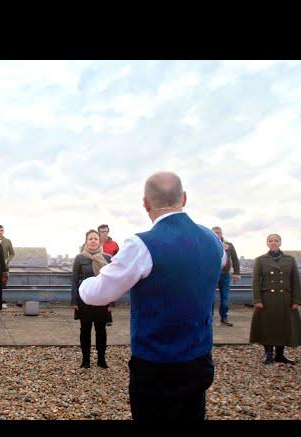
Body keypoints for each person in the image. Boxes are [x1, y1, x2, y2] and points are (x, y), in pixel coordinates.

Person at [79, 172, 226, 421]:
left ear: (145, 203)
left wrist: (84, 282)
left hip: (157, 363)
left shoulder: (141, 245)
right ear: (185, 198)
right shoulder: (213, 240)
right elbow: (218, 265)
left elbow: (97, 294)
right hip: (199, 356)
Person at [250, 234, 301, 365]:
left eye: (276, 240)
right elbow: (255, 281)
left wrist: (296, 300)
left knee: (283, 326)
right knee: (267, 326)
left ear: (280, 243)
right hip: (267, 298)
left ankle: (280, 355)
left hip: (285, 298)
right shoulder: (260, 260)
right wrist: (257, 299)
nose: (273, 242)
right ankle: (268, 354)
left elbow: (295, 281)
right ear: (267, 243)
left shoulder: (290, 259)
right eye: (270, 241)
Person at [72, 230, 112, 368]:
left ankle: (101, 359)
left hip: (103, 300)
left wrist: (111, 302)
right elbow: (74, 281)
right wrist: (74, 301)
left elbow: (112, 280)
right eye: (90, 239)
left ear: (99, 241)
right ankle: (85, 360)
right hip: (84, 300)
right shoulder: (79, 258)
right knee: (85, 330)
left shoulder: (107, 258)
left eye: (95, 238)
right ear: (86, 241)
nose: (93, 241)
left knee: (101, 330)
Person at [211, 226, 241, 326]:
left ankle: (224, 318)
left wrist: (237, 272)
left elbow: (235, 259)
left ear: (222, 233)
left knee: (225, 298)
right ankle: (209, 319)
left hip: (225, 275)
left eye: (218, 232)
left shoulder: (228, 245)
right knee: (210, 298)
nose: (217, 234)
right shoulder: (208, 243)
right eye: (214, 232)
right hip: (212, 275)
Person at [0, 225, 15, 308]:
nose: (0, 232)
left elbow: (12, 253)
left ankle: (3, 302)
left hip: (5, 267)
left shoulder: (8, 241)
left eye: (1, 230)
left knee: (3, 284)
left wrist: (7, 260)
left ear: (3, 231)